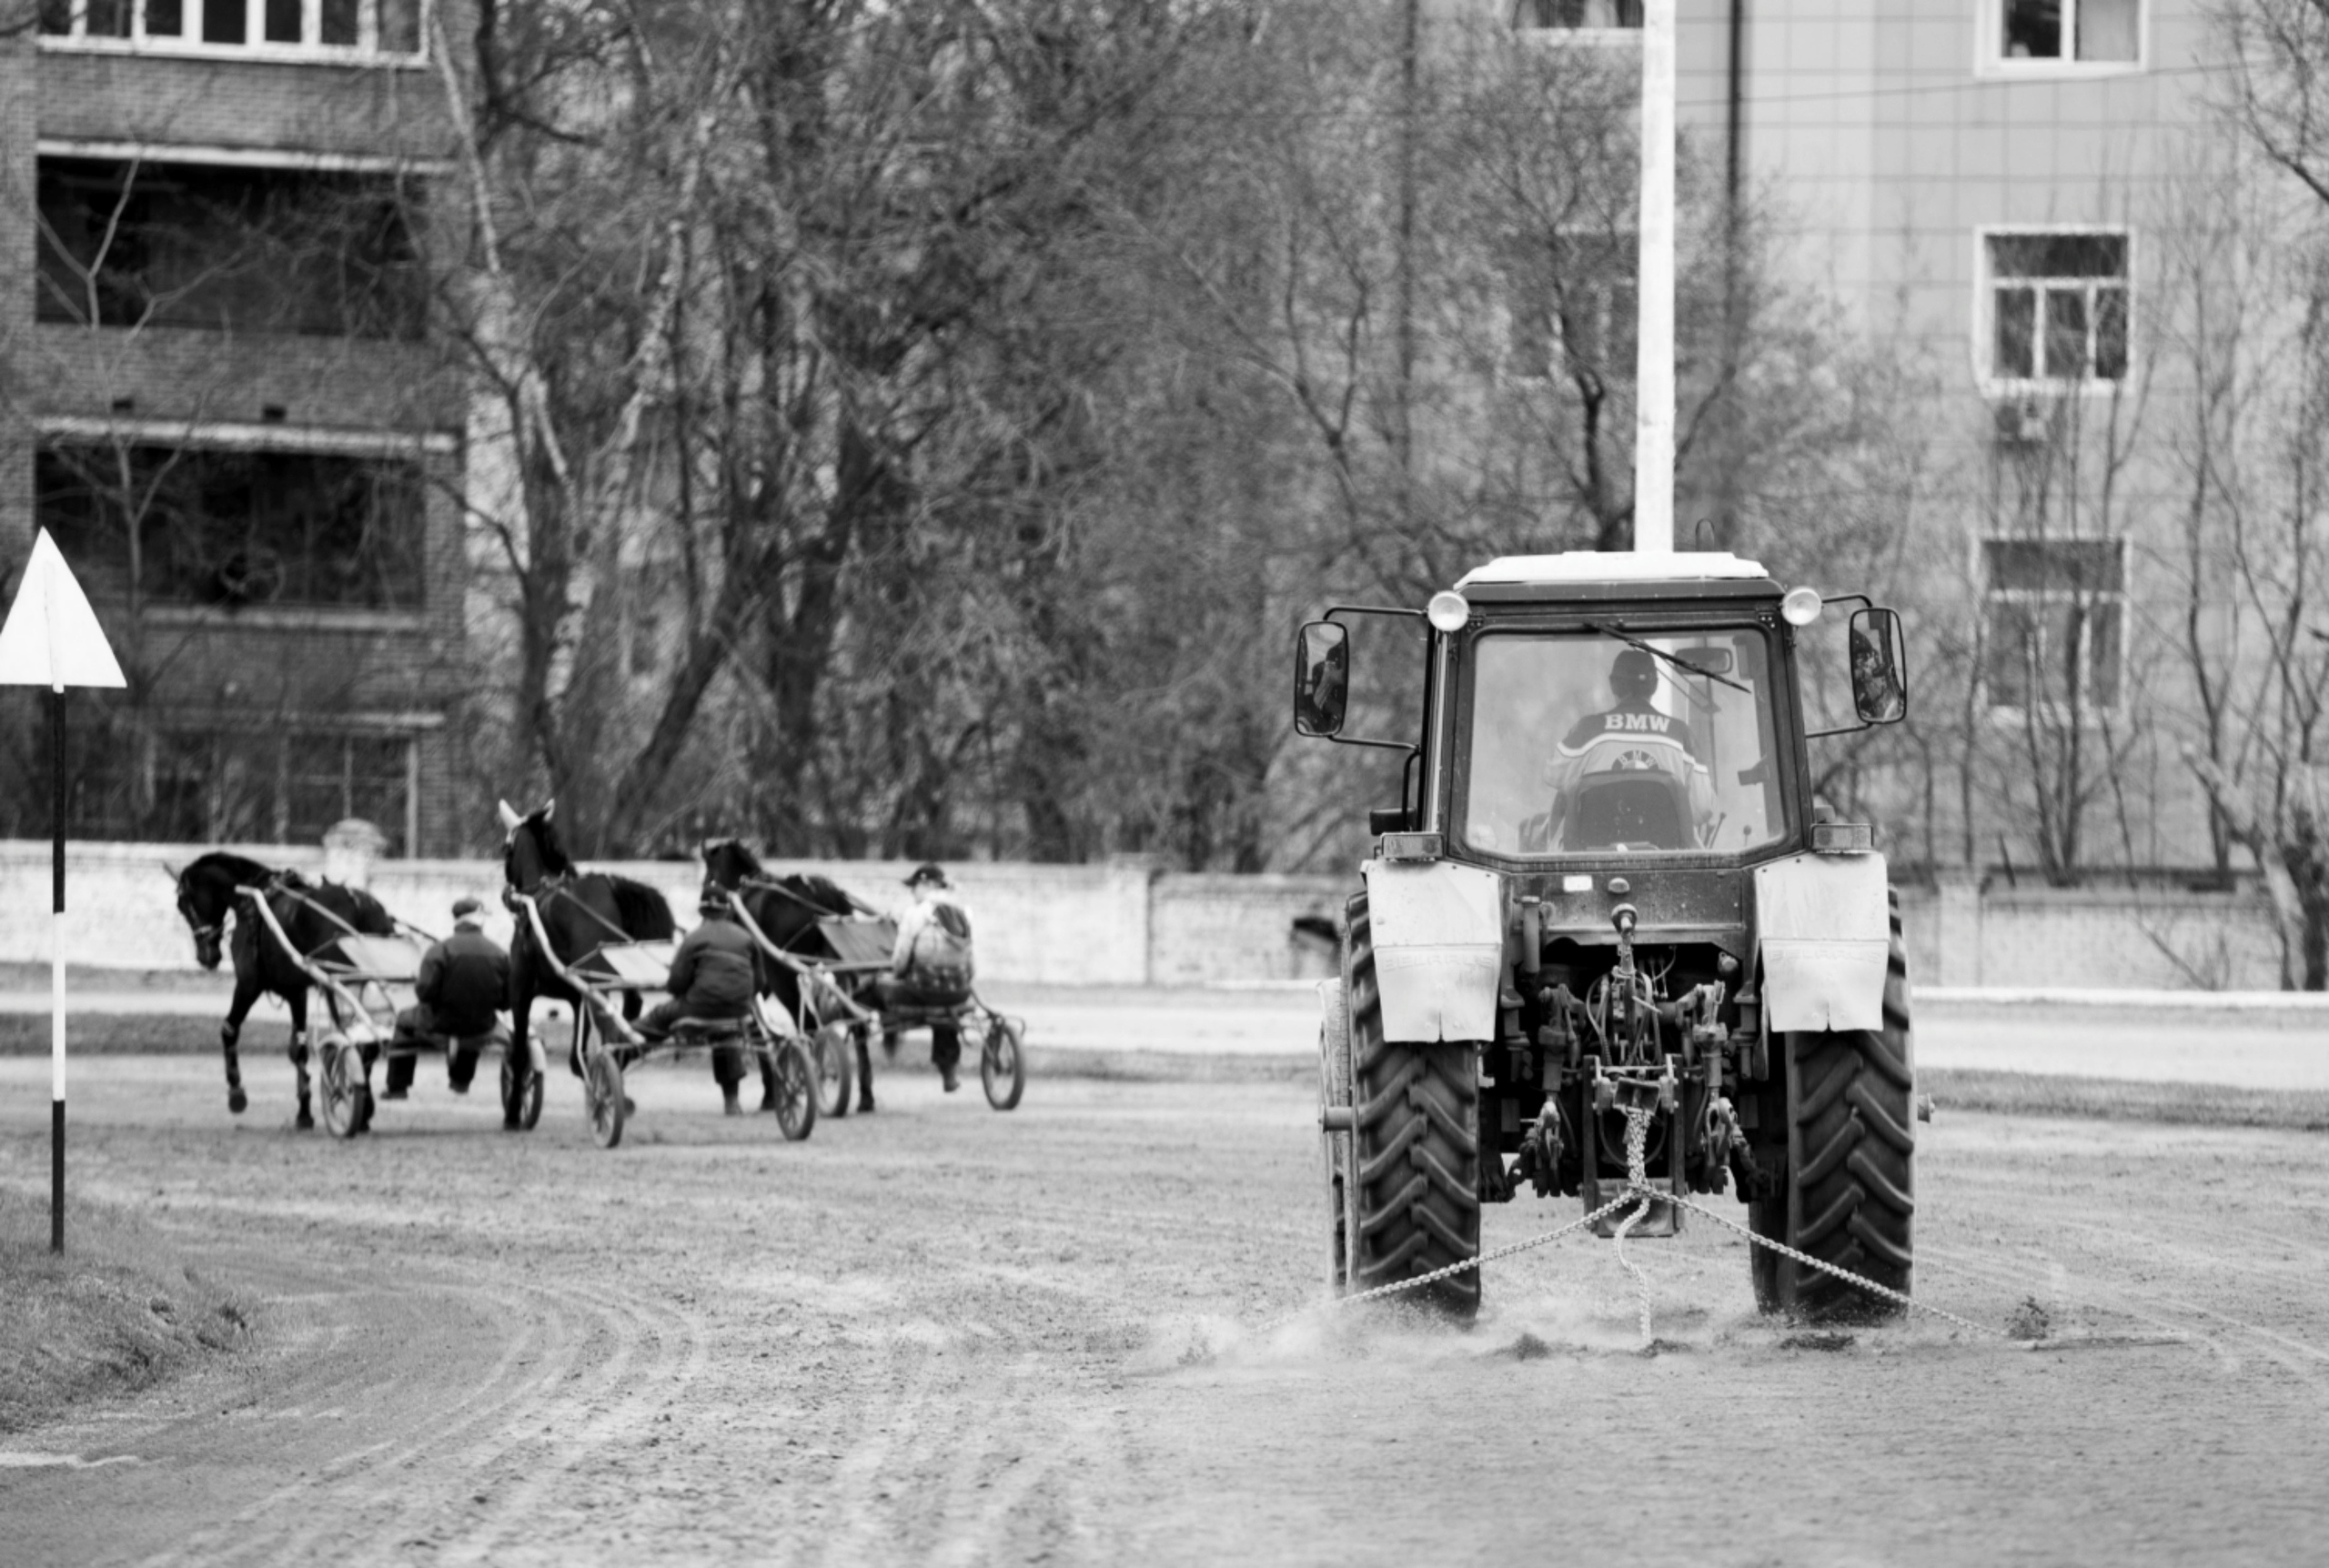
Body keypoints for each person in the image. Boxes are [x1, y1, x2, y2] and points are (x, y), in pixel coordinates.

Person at [1540, 646, 1715, 845]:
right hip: (1668, 864)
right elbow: (1703, 809)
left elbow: (1553, 776)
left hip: (1592, 860)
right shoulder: (1682, 736)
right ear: (1655, 686)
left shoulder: (1587, 731)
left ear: (1614, 685)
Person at [635, 886, 764, 1115]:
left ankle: (620, 1050)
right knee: (726, 1032)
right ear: (727, 911)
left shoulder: (693, 939)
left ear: (702, 911)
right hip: (740, 1012)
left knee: (658, 1015)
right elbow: (759, 982)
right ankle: (732, 1101)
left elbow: (676, 985)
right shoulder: (747, 938)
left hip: (696, 1010)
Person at [387, 897, 511, 1101]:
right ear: (480, 919)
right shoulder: (500, 954)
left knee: (403, 1019)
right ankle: (461, 1081)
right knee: (471, 1019)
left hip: (438, 1026)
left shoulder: (439, 951)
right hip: (483, 1026)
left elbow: (424, 993)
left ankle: (397, 1086)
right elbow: (506, 1002)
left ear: (457, 920)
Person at [872, 864, 975, 1091]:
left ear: (928, 885)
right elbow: (970, 963)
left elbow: (900, 962)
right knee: (945, 1006)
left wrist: (893, 975)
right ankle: (948, 1070)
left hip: (920, 993)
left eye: (914, 886)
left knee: (876, 985)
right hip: (959, 993)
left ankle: (889, 1036)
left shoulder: (915, 914)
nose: (912, 892)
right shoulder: (963, 913)